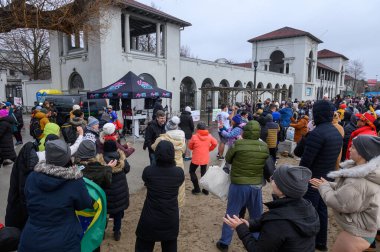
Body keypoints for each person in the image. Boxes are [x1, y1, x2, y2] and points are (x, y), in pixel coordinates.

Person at [18, 139, 93, 251]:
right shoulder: (74, 181)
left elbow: (26, 199)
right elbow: (85, 203)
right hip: (65, 241)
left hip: (31, 240)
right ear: (67, 158)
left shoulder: (32, 177)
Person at [224, 165, 320, 252]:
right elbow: (270, 220)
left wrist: (241, 229)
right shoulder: (308, 207)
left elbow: (257, 250)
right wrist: (249, 224)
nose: (271, 178)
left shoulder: (278, 222)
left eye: (274, 178)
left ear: (282, 189)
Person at [310, 135, 380, 252]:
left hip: (357, 234)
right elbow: (347, 191)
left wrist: (323, 187)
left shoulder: (359, 182)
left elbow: (339, 202)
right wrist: (327, 184)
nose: (349, 149)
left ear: (362, 153)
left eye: (353, 147)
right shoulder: (366, 172)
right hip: (363, 229)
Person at [216, 120, 269, 251]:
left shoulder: (237, 144)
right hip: (256, 184)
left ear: (244, 132)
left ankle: (224, 242)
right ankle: (256, 238)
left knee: (232, 212)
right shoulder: (264, 147)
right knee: (256, 213)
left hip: (238, 184)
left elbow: (228, 159)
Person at [300, 100, 343, 251]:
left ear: (318, 114)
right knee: (322, 210)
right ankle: (321, 242)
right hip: (327, 178)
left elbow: (306, 161)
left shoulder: (317, 133)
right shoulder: (336, 131)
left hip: (313, 179)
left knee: (309, 211)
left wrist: (299, 176)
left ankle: (309, 243)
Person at [135, 141, 185, 252]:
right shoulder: (179, 173)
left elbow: (146, 180)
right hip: (170, 218)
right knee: (170, 246)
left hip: (149, 217)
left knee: (143, 246)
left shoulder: (148, 171)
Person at [97, 140, 130, 241]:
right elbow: (127, 169)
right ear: (116, 148)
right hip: (120, 191)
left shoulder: (100, 160)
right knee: (118, 213)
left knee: (104, 214)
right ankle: (116, 232)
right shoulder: (121, 158)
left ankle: (102, 232)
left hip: (106, 192)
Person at [152, 116, 186, 207]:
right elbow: (183, 150)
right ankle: (177, 209)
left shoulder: (162, 139)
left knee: (164, 187)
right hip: (179, 165)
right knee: (179, 188)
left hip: (164, 166)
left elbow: (154, 147)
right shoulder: (182, 138)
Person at [188, 121, 217, 195]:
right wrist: (209, 149)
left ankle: (197, 188)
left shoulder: (194, 136)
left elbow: (190, 146)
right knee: (203, 173)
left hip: (196, 158)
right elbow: (215, 143)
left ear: (197, 128)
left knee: (192, 171)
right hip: (205, 157)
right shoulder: (209, 136)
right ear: (205, 128)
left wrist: (194, 148)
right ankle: (205, 190)